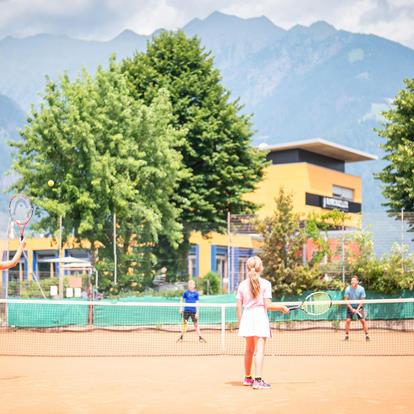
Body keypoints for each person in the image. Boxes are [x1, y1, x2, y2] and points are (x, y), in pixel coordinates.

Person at [236, 256, 289, 390]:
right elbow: (268, 305)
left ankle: (248, 378)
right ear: (261, 268)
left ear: (247, 268)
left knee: (248, 349)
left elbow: (238, 306)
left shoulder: (242, 285)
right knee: (259, 349)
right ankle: (258, 381)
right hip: (259, 316)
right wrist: (281, 307)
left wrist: (240, 323)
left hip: (247, 316)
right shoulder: (266, 283)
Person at [344, 275, 369, 341]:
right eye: (352, 280)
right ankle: (346, 336)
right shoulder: (347, 289)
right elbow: (346, 300)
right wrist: (351, 309)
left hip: (359, 306)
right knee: (348, 321)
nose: (353, 281)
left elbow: (362, 300)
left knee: (363, 321)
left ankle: (367, 335)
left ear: (357, 282)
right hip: (350, 306)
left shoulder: (361, 289)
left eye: (354, 280)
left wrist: (357, 309)